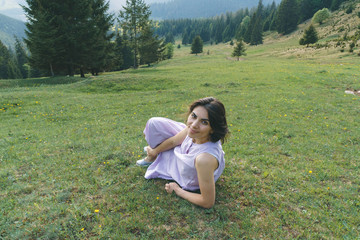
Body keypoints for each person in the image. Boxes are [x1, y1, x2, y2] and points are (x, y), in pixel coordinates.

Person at [136, 97, 229, 208]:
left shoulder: (204, 159)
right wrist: (155, 152)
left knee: (167, 152)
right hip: (185, 152)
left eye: (204, 122)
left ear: (213, 128)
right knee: (154, 123)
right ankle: (153, 154)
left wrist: (178, 190)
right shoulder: (194, 131)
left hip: (189, 172)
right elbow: (174, 141)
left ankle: (158, 156)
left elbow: (207, 202)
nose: (194, 124)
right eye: (193, 116)